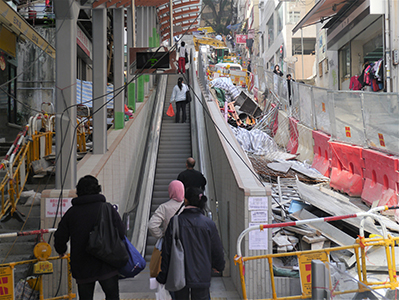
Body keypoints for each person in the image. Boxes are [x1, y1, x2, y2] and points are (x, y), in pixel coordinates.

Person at [54, 175, 125, 300]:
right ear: (98, 189)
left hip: (82, 266)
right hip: (107, 262)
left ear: (79, 191)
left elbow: (60, 236)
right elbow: (121, 231)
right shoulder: (108, 208)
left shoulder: (72, 213)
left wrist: (61, 249)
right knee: (112, 296)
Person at [156, 187, 225, 300]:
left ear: (185, 200)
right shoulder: (208, 223)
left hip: (179, 274)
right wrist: (218, 266)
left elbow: (167, 251)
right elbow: (217, 249)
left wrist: (163, 276)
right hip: (202, 276)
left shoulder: (175, 222)